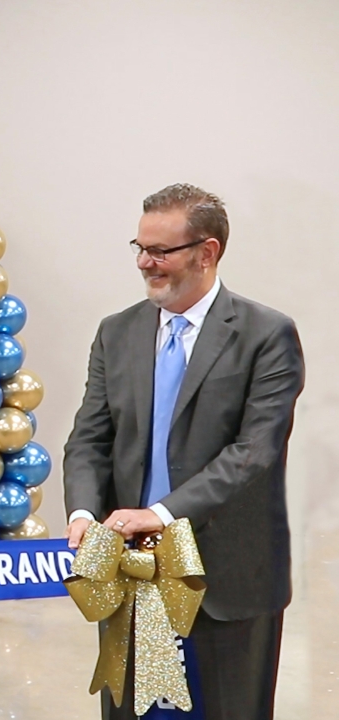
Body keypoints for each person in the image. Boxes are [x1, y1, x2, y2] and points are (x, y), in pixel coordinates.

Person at [63, 183, 304, 719]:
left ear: (208, 252)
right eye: (140, 248)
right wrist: (82, 512)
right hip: (130, 579)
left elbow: (253, 452)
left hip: (227, 584)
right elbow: (89, 437)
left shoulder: (266, 335)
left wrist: (160, 514)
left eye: (161, 251)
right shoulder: (116, 332)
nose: (146, 263)